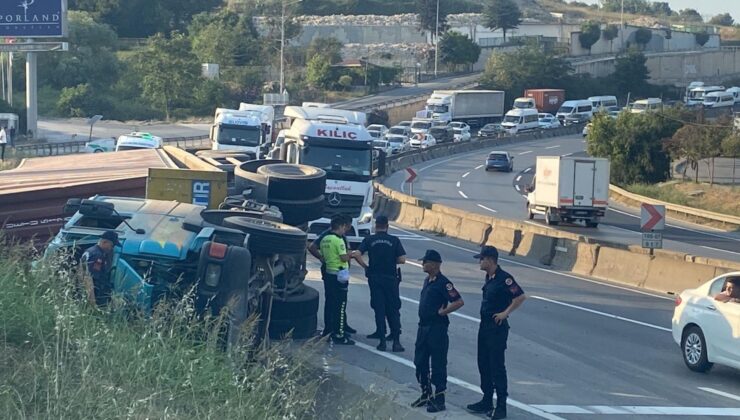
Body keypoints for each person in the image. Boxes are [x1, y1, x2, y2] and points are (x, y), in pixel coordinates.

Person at [467, 246, 527, 420]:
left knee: (497, 367)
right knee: (483, 364)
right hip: (484, 327)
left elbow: (520, 297)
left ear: (491, 260)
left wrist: (505, 313)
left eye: (482, 259)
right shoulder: (489, 277)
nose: (479, 262)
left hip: (497, 328)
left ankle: (501, 406)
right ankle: (487, 400)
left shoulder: (505, 279)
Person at [411, 249, 464, 413]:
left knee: (438, 364)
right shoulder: (427, 280)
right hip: (423, 327)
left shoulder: (444, 283)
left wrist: (443, 312)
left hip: (437, 328)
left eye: (425, 262)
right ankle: (426, 393)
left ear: (434, 264)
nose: (422, 264)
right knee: (420, 361)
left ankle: (439, 399)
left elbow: (458, 301)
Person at [352, 215, 406, 352]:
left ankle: (382, 341)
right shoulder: (394, 240)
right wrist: (390, 259)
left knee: (379, 308)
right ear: (387, 226)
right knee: (393, 309)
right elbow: (402, 260)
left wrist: (366, 266)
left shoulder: (370, 239)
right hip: (391, 278)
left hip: (375, 278)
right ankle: (396, 342)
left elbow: (357, 254)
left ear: (376, 226)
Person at [308, 215, 357, 337]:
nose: (347, 229)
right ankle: (336, 330)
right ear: (343, 225)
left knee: (335, 301)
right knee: (339, 301)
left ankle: (339, 326)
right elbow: (343, 256)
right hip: (338, 272)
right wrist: (352, 255)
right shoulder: (333, 237)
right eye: (347, 226)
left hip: (334, 271)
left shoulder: (333, 237)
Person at [79, 230, 120, 307]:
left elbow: (81, 272)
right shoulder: (97, 255)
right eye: (112, 245)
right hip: (97, 295)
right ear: (104, 242)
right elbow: (90, 279)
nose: (112, 248)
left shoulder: (90, 250)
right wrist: (92, 302)